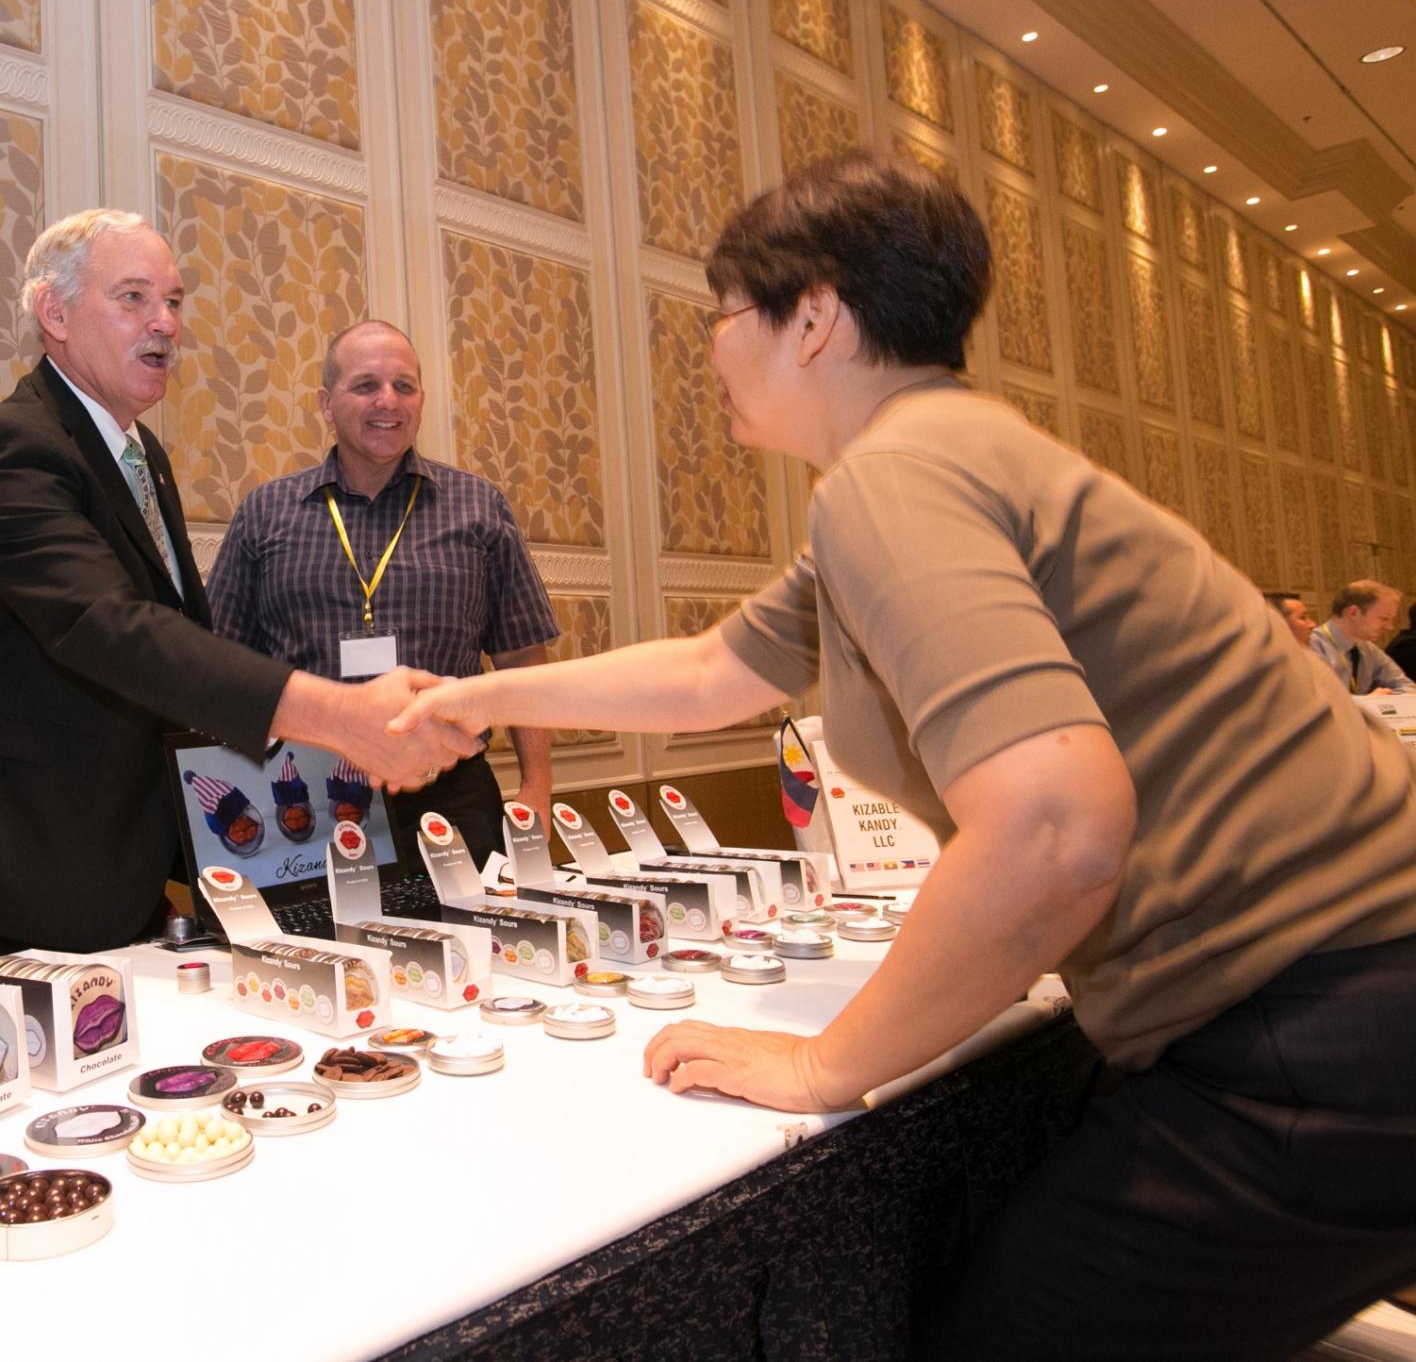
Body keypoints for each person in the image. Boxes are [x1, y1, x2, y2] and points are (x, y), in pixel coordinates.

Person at [391, 152, 1416, 1359]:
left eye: (724, 313)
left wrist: (825, 1064)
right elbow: (719, 670)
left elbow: (1052, 828)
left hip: (1313, 1046)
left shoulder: (892, 480)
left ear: (813, 316)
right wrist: (472, 698)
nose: (712, 347)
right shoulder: (946, 451)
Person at [0, 211, 478, 961]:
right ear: (55, 312)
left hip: (126, 860)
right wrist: (337, 714)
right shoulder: (10, 449)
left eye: (173, 300)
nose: (165, 323)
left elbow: (183, 646)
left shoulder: (143, 455)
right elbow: (116, 629)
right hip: (30, 862)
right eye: (134, 298)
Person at [206, 321, 559, 871]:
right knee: (317, 951)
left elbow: (522, 657)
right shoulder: (264, 513)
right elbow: (221, 663)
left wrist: (537, 787)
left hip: (451, 797)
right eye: (366, 385)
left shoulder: (478, 507)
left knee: (476, 950)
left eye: (405, 385)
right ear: (326, 403)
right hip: (309, 803)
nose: (387, 401)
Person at [1311, 580, 1416, 695]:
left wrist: (1383, 700)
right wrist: (1368, 702)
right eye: (1384, 618)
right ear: (1353, 613)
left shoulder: (1369, 650)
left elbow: (1409, 688)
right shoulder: (1312, 645)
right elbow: (1318, 701)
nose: (1390, 627)